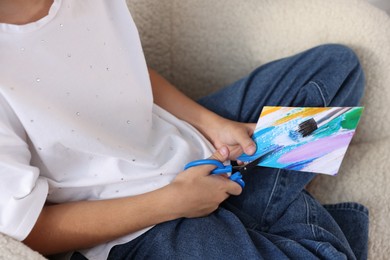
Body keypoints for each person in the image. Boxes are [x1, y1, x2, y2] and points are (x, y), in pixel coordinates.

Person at [0, 0, 369, 259]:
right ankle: (253, 207)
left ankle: (241, 209)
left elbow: (121, 70)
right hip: (135, 226)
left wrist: (214, 126)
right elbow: (32, 230)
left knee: (337, 69)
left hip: (192, 145)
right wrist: (173, 202)